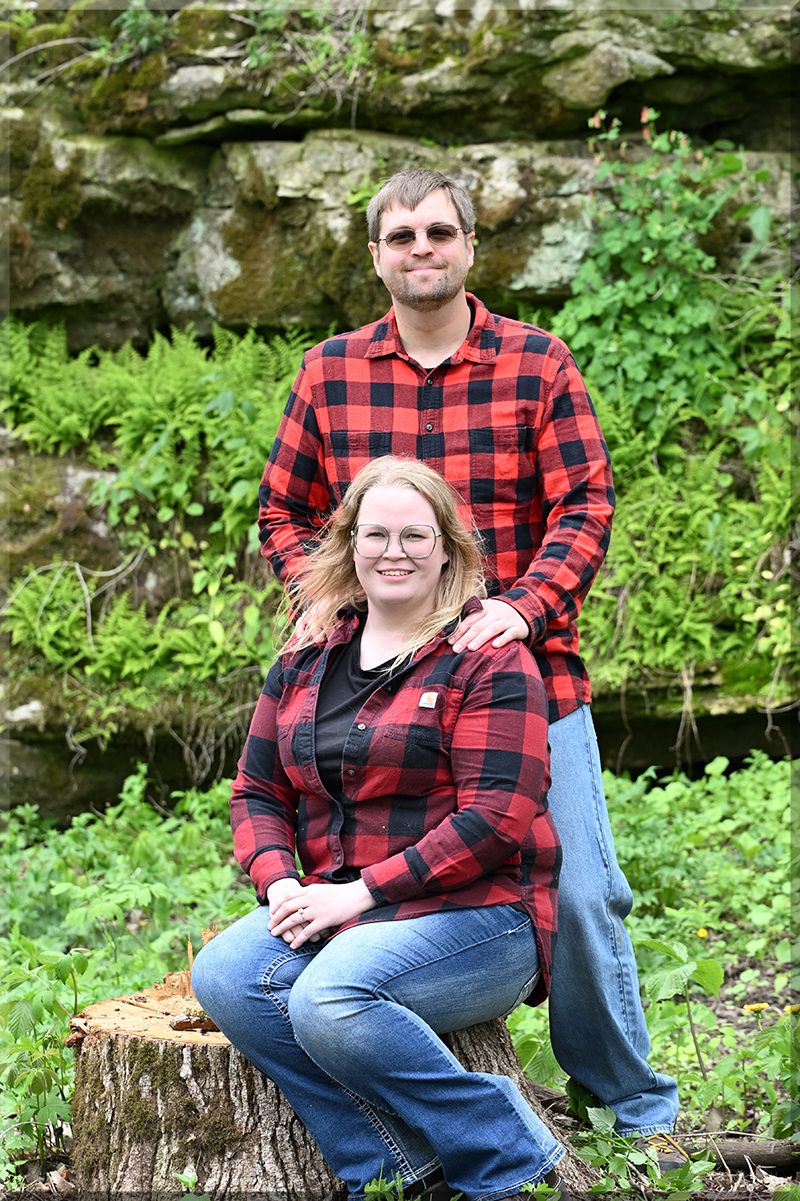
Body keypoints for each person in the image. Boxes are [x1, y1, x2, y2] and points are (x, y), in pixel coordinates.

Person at [257, 168, 681, 1152]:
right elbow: (282, 507)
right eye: (402, 235)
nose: (422, 249)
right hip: (376, 690)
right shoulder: (329, 373)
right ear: (376, 256)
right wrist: (322, 595)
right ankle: (387, 1059)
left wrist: (522, 609)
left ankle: (632, 1110)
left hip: (519, 678)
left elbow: (585, 505)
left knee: (580, 891)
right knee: (369, 873)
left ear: (468, 246)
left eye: (439, 231)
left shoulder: (536, 363)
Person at [192, 456, 570, 1200]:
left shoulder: (488, 660)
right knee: (228, 975)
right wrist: (280, 883)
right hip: (344, 902)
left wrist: (360, 893)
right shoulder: (308, 655)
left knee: (329, 998)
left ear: (448, 550)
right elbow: (257, 789)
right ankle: (395, 1170)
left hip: (483, 916)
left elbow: (495, 820)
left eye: (415, 536)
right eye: (375, 534)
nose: (394, 552)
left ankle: (508, 1159)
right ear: (350, 545)